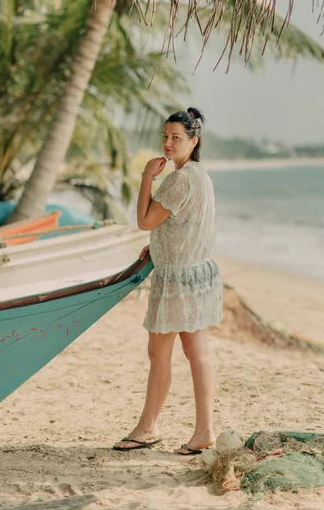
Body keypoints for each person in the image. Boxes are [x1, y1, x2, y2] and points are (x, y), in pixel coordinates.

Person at [113, 108, 222, 455]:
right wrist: (161, 242)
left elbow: (145, 220)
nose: (168, 143)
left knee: (158, 354)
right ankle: (204, 431)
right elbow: (189, 224)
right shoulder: (200, 175)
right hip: (199, 274)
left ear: (194, 140)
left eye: (176, 137)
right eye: (165, 136)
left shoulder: (178, 179)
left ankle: (147, 428)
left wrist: (147, 175)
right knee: (197, 354)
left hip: (177, 280)